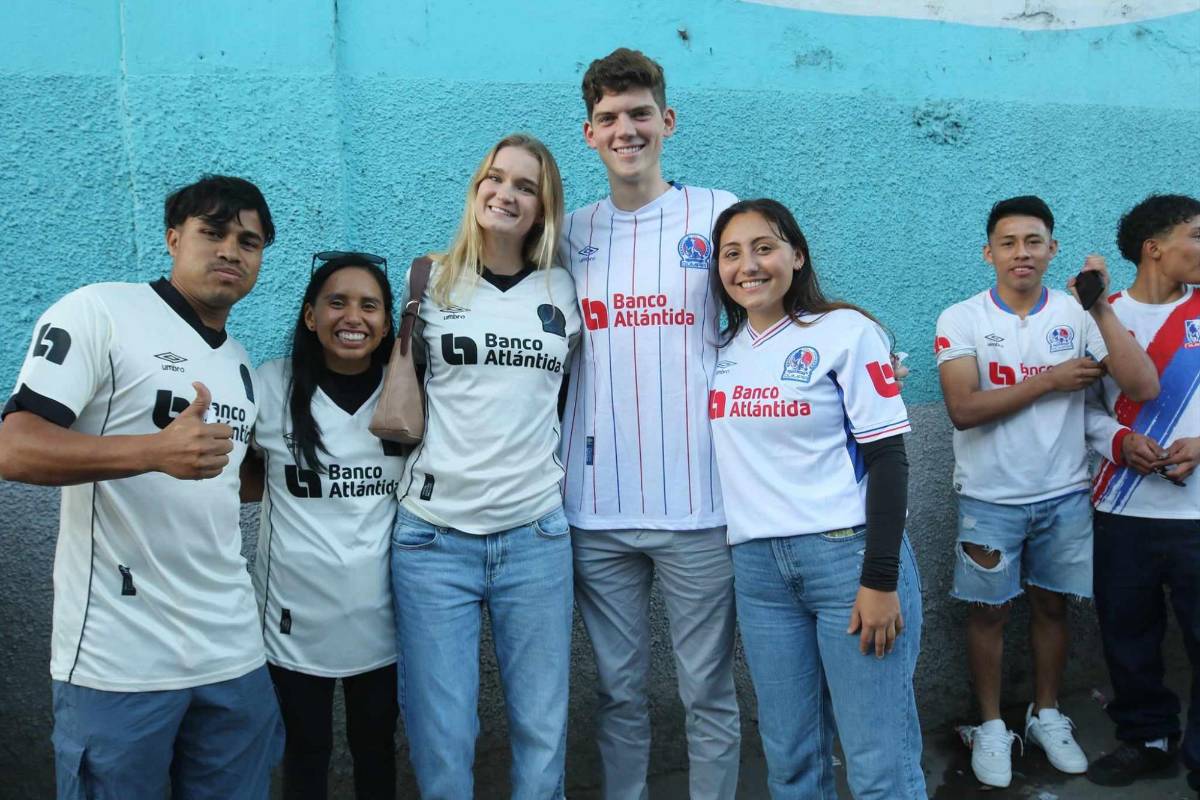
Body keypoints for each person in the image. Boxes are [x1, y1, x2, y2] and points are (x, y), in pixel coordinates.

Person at [0, 175, 283, 799]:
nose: (231, 251)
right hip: (120, 659)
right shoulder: (99, 312)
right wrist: (153, 452)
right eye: (213, 233)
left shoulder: (238, 360)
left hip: (232, 651)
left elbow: (222, 480)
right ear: (173, 238)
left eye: (250, 241)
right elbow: (13, 447)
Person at [558, 47, 742, 799]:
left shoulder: (719, 213)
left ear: (667, 120)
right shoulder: (567, 234)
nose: (625, 129)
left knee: (707, 694)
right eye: (609, 118)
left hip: (699, 504)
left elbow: (775, 317)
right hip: (595, 509)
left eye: (639, 114)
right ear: (589, 134)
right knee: (619, 694)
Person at [935, 195, 1159, 788]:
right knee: (987, 613)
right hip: (988, 496)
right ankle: (990, 725)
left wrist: (1102, 305)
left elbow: (1143, 384)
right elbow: (962, 409)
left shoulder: (1077, 314)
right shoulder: (961, 319)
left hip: (1064, 494)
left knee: (1052, 606)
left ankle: (1048, 713)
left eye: (1034, 241)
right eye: (1008, 243)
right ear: (989, 253)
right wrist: (1053, 380)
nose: (1021, 254)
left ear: (1052, 249)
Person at [706, 198, 924, 799]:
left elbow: (888, 459)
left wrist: (879, 579)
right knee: (792, 761)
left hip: (848, 562)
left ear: (796, 256)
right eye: (731, 254)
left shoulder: (846, 332)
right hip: (759, 574)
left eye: (764, 247)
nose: (748, 265)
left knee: (880, 762)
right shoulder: (719, 352)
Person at [390, 133, 580, 799]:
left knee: (542, 730)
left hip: (536, 536)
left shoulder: (565, 288)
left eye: (525, 186)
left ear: (542, 208)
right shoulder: (430, 278)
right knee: (444, 736)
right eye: (495, 179)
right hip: (432, 540)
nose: (506, 193)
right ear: (477, 191)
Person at [240, 252, 403, 799]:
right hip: (293, 617)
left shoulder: (408, 393)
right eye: (336, 302)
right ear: (311, 316)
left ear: (386, 322)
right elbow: (240, 477)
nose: (352, 316)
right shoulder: (270, 386)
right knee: (305, 752)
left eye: (369, 305)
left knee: (376, 750)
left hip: (384, 616)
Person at [1083, 194, 1200, 791]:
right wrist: (1119, 440)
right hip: (1121, 508)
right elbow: (1082, 411)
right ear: (1155, 247)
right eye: (1197, 236)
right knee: (1128, 633)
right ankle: (1147, 737)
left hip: (1197, 511)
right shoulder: (1099, 314)